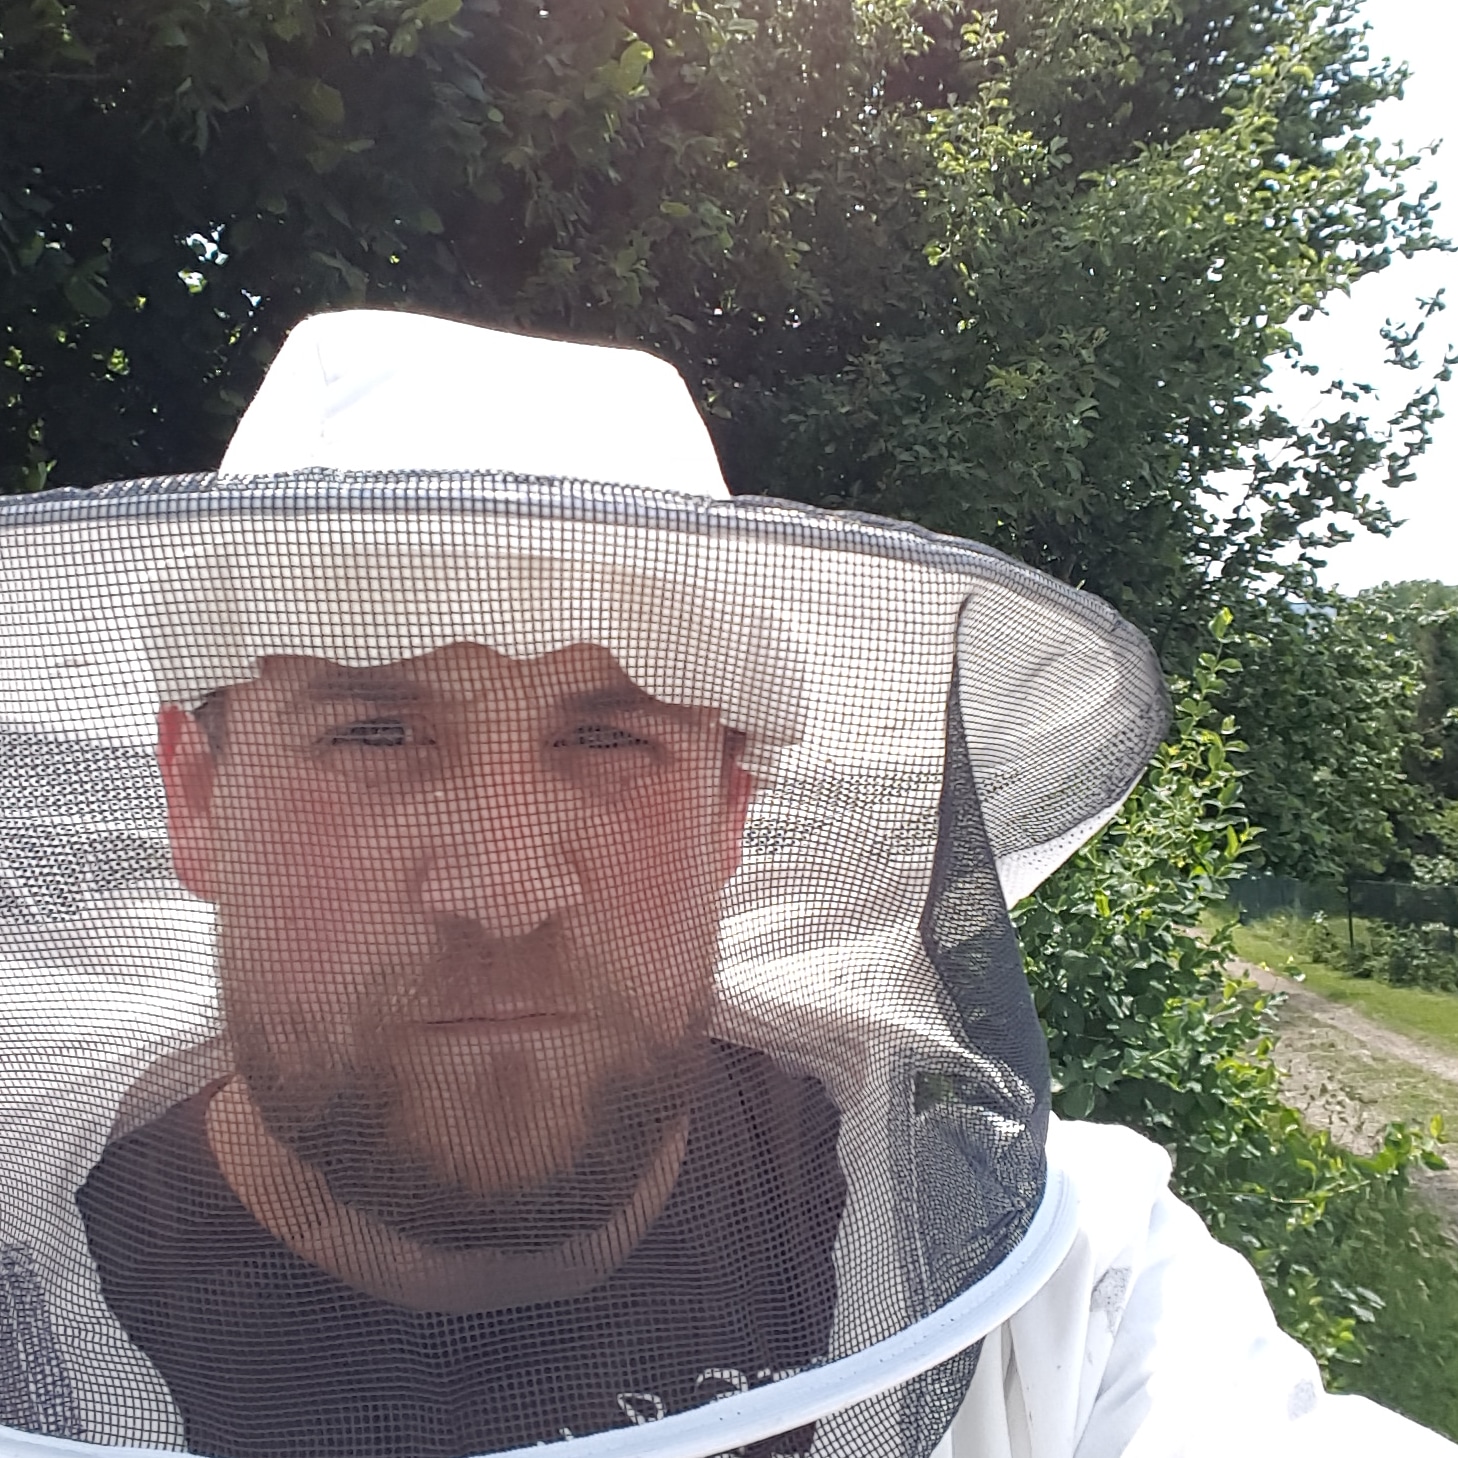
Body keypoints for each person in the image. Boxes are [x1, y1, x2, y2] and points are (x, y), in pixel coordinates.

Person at [0, 309, 1452, 1458]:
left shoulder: (1070, 1286)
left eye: (609, 738)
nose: (504, 890)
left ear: (728, 813)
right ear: (197, 796)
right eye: (377, 734)